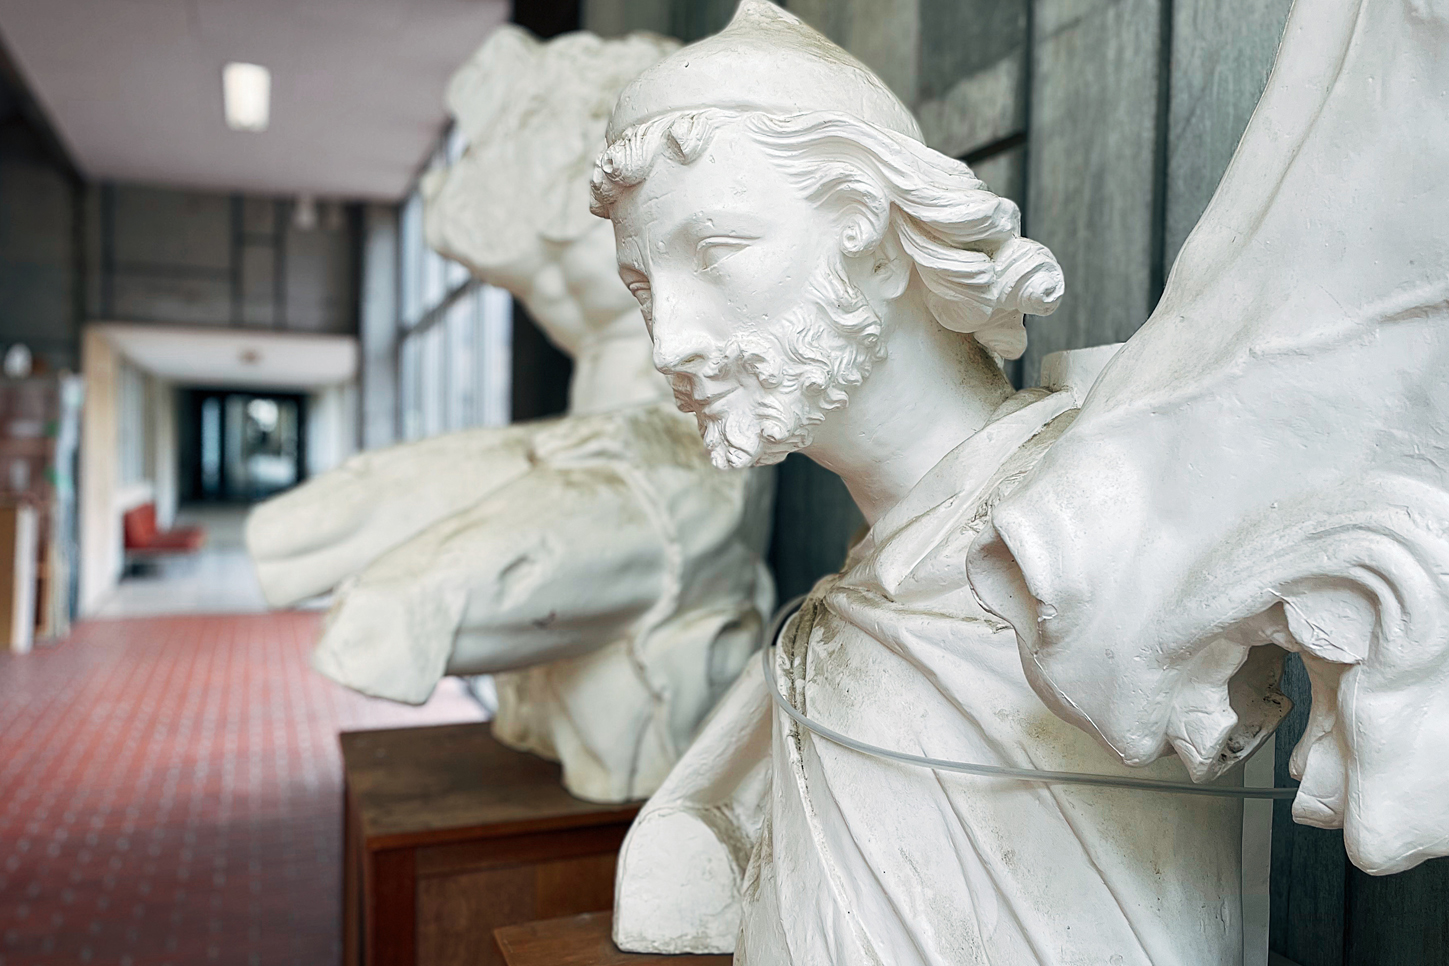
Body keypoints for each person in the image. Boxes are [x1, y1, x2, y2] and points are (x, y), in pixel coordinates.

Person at [591, 3, 1246, 962]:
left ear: (878, 241)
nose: (669, 343)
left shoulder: (1101, 534)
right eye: (643, 287)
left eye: (717, 253)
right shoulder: (853, 600)